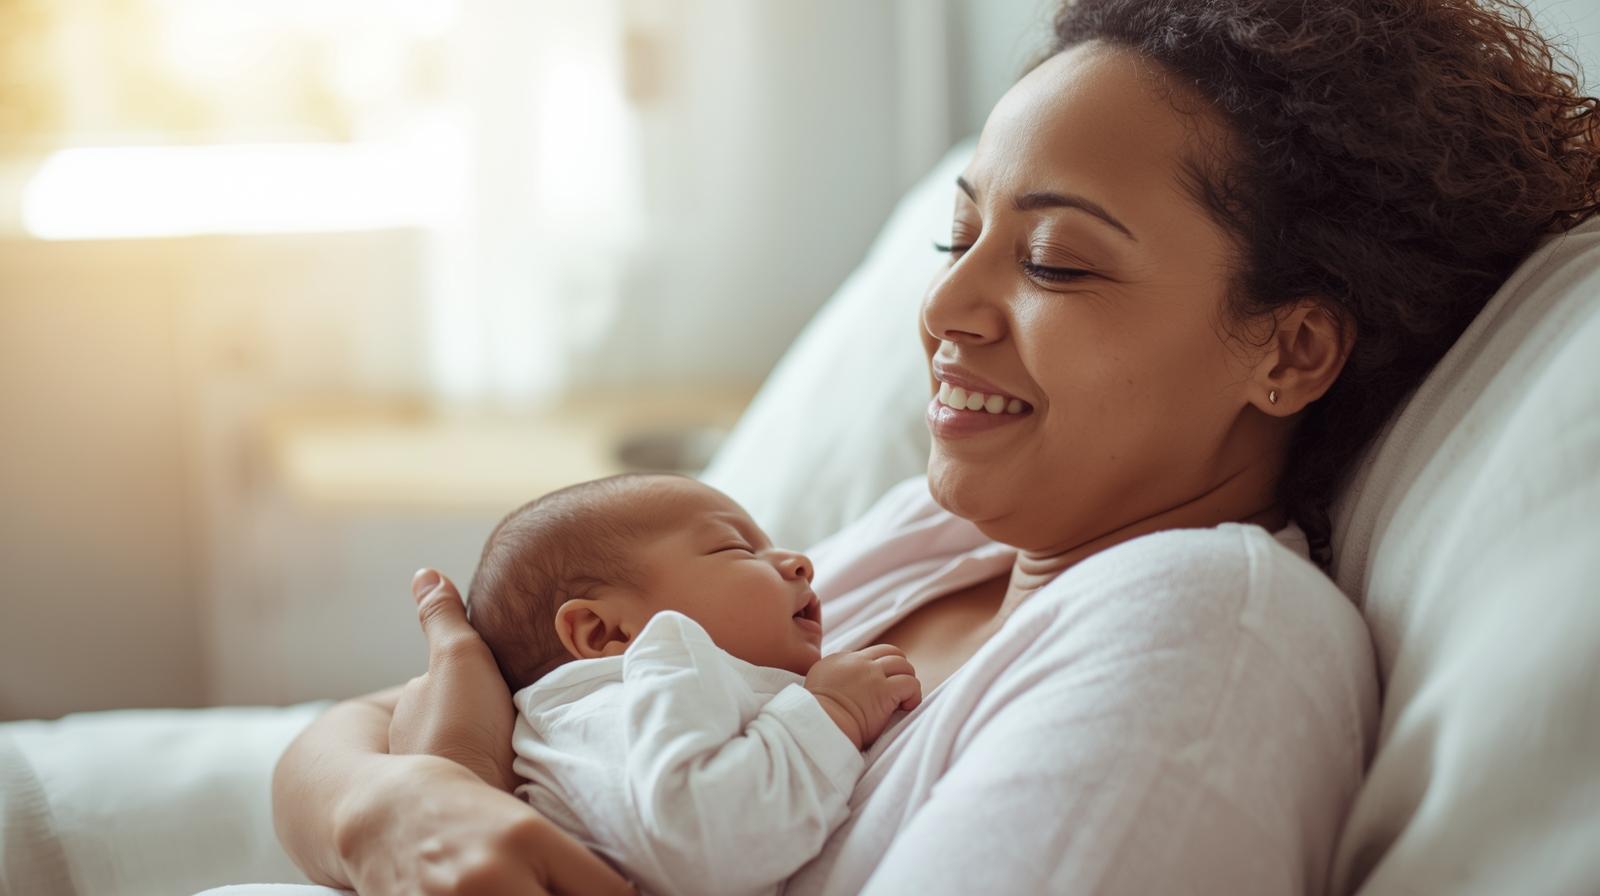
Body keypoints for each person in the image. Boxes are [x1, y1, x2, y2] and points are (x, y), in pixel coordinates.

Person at [270, 1, 1600, 894]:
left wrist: (436, 788)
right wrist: (390, 809)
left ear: (1291, 350)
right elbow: (378, 728)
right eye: (956, 236)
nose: (947, 308)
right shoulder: (939, 537)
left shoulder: (1203, 638)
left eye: (1057, 260)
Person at [467, 473, 921, 896]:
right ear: (605, 633)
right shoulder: (646, 680)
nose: (801, 562)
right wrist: (834, 712)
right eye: (736, 548)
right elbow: (703, 841)